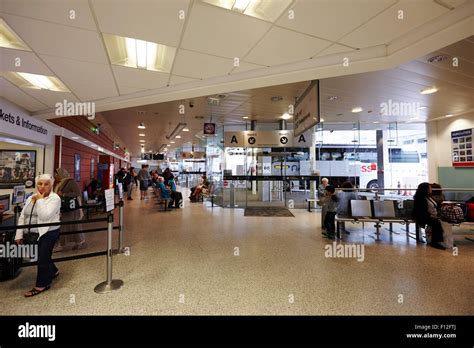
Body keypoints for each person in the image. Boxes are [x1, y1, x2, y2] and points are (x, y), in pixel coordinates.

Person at [15, 174, 61, 297]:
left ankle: (42, 285)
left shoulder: (54, 198)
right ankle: (54, 271)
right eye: (40, 184)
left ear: (51, 185)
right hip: (33, 233)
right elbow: (23, 215)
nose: (42, 186)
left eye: (46, 184)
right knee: (43, 255)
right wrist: (18, 234)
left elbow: (45, 216)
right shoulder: (31, 198)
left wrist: (40, 200)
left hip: (49, 232)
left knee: (42, 258)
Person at [54, 168, 86, 251]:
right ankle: (63, 244)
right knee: (64, 227)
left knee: (74, 226)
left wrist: (64, 194)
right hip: (64, 208)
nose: (55, 176)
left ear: (61, 174)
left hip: (72, 209)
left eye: (57, 174)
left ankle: (80, 242)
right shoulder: (60, 183)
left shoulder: (70, 182)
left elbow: (77, 193)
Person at [413, 182, 445, 250]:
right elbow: (421, 212)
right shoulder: (420, 199)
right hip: (423, 217)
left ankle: (441, 240)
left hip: (430, 215)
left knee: (440, 221)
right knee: (436, 223)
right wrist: (432, 216)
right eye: (430, 187)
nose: (431, 189)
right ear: (426, 189)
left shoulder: (427, 197)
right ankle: (435, 242)